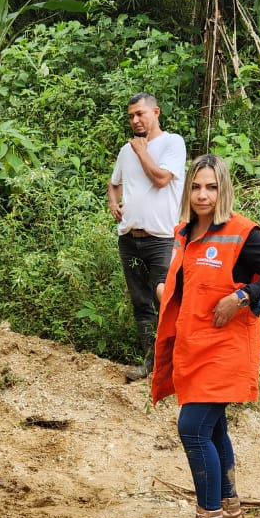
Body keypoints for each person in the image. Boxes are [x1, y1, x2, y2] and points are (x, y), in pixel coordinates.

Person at [150, 153, 260, 518]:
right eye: (196, 186)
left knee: (192, 428)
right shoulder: (183, 233)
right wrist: (166, 290)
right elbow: (182, 280)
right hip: (194, 349)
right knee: (213, 430)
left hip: (225, 351)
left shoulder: (241, 232)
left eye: (211, 187)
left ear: (223, 189)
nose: (203, 194)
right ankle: (229, 510)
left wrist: (243, 295)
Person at [108, 92, 186, 381]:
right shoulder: (125, 150)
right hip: (129, 238)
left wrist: (142, 151)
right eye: (131, 116)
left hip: (161, 239)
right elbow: (113, 183)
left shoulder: (172, 143)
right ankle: (152, 364)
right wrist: (113, 203)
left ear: (156, 112)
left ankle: (176, 364)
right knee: (140, 302)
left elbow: (162, 178)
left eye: (140, 113)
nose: (135, 120)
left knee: (165, 300)